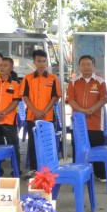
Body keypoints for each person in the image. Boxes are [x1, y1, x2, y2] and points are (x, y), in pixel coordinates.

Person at [20, 49, 62, 177]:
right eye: (39, 61)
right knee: (33, 143)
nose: (42, 64)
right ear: (34, 62)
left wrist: (44, 110)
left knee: (47, 143)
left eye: (44, 61)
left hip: (48, 117)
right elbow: (25, 96)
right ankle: (33, 169)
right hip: (32, 116)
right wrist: (35, 111)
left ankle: (48, 169)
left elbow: (55, 97)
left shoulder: (53, 78)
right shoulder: (27, 79)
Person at [66, 55, 107, 180]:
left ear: (93, 66)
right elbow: (70, 100)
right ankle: (78, 173)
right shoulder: (73, 82)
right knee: (78, 148)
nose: (86, 67)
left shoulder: (100, 81)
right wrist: (82, 111)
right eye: (83, 64)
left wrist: (91, 110)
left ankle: (99, 174)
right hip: (78, 122)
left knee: (96, 148)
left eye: (89, 64)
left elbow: (103, 99)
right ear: (79, 66)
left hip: (95, 122)